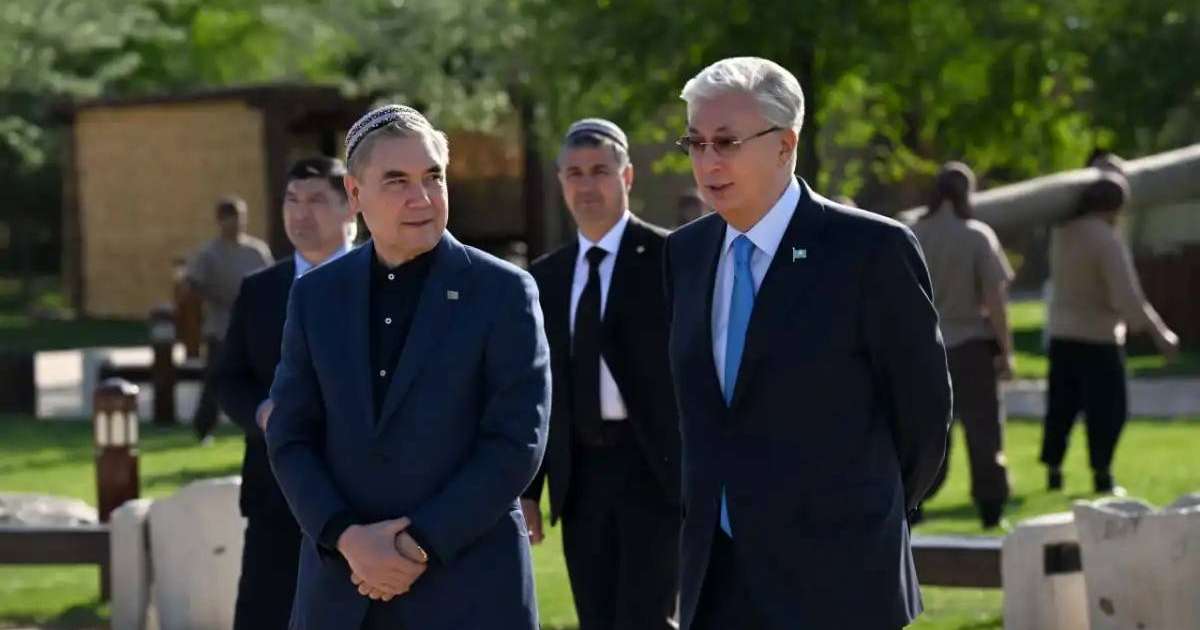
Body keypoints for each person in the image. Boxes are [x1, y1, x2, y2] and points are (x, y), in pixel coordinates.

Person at [662, 57, 951, 629]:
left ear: (784, 145)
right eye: (695, 142)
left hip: (841, 579)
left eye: (726, 142)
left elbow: (923, 417)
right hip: (717, 580)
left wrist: (862, 514)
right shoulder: (685, 254)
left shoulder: (870, 251)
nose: (707, 161)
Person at [264, 105, 550, 630]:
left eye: (433, 177)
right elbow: (290, 435)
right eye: (397, 181)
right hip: (343, 593)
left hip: (470, 592)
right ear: (355, 194)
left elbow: (516, 442)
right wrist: (348, 538)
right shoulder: (316, 297)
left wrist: (416, 545)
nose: (422, 198)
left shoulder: (503, 292)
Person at [519, 119, 680, 630]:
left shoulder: (670, 258)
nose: (587, 185)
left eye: (600, 171)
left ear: (627, 176)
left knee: (646, 617)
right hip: (581, 476)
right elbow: (538, 389)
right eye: (575, 173)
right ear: (560, 181)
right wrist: (530, 490)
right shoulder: (545, 277)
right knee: (597, 617)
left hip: (653, 470)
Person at [215, 156, 357, 629]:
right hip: (274, 496)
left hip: (363, 499)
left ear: (351, 205)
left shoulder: (382, 282)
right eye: (292, 201)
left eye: (316, 200)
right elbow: (229, 378)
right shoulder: (260, 289)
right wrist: (261, 412)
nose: (301, 214)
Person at [1041, 171, 1179, 494]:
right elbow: (1127, 296)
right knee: (1108, 410)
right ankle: (1102, 474)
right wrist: (1159, 333)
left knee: (1061, 408)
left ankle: (1054, 470)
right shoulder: (1106, 239)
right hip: (1099, 337)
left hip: (1062, 333)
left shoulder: (1062, 232)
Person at [911, 162, 1014, 529]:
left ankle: (914, 500)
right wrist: (1006, 351)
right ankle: (991, 506)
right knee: (983, 430)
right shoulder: (977, 236)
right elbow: (995, 300)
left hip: (921, 348)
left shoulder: (911, 234)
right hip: (970, 346)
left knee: (923, 430)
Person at [184, 195, 273, 441]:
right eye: (232, 218)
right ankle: (204, 428)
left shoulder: (256, 251)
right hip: (221, 327)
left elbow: (272, 281)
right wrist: (213, 296)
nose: (238, 223)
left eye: (241, 218)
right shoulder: (209, 254)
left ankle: (260, 426)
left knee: (262, 377)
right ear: (220, 220)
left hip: (255, 329)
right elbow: (192, 285)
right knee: (215, 380)